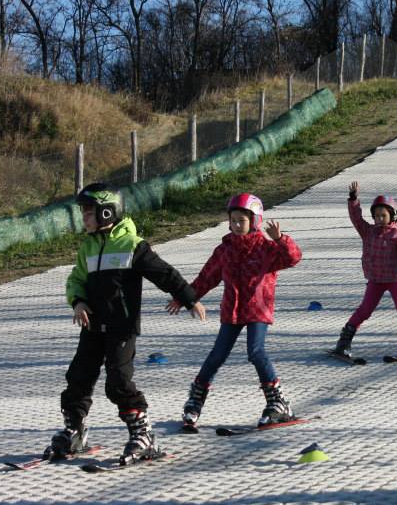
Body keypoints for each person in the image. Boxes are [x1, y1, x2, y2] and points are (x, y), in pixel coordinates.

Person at [53, 183, 206, 464]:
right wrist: (78, 302)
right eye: (83, 212)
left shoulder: (132, 245)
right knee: (78, 378)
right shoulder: (88, 246)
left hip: (121, 327)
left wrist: (189, 298)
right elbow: (76, 279)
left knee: (118, 382)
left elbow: (163, 273)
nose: (83, 218)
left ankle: (142, 434)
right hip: (92, 327)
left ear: (107, 212)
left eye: (88, 212)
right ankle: (74, 430)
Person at [178, 193, 302, 430]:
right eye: (233, 220)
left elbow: (293, 258)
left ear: (254, 221)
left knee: (256, 352)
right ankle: (194, 402)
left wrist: (280, 239)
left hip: (258, 309)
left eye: (241, 221)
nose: (236, 225)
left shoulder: (266, 248)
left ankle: (278, 403)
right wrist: (186, 297)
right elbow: (206, 277)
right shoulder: (225, 250)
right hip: (232, 311)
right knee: (217, 355)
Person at [332, 181, 397, 359]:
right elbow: (356, 219)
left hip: (394, 279)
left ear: (392, 216)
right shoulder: (368, 231)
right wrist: (353, 199)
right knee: (364, 310)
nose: (379, 219)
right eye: (376, 216)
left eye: (383, 215)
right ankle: (344, 341)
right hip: (375, 280)